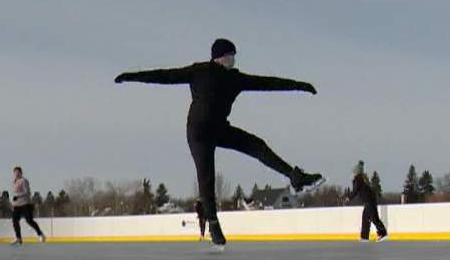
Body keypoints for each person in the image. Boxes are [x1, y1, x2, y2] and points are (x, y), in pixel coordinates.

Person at [115, 38, 323, 246]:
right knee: (207, 177)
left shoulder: (235, 79)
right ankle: (213, 225)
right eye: (232, 55)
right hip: (198, 133)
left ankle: (295, 177)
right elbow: (164, 76)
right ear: (223, 56)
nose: (234, 59)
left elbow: (268, 83)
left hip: (219, 129)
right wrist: (131, 76)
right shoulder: (199, 71)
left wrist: (300, 86)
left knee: (257, 145)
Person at [346, 161, 387, 242]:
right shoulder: (360, 179)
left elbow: (355, 190)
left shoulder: (358, 180)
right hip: (369, 201)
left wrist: (349, 197)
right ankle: (364, 237)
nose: (353, 174)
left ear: (356, 172)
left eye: (354, 172)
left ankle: (383, 233)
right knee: (365, 219)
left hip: (369, 201)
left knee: (374, 218)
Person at [10, 166, 46, 245]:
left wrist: (18, 196)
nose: (16, 174)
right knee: (14, 220)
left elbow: (27, 192)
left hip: (25, 204)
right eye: (15, 172)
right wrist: (13, 202)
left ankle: (40, 234)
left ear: (21, 173)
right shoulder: (14, 182)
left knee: (29, 220)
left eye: (18, 172)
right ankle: (18, 238)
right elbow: (14, 194)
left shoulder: (24, 181)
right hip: (16, 205)